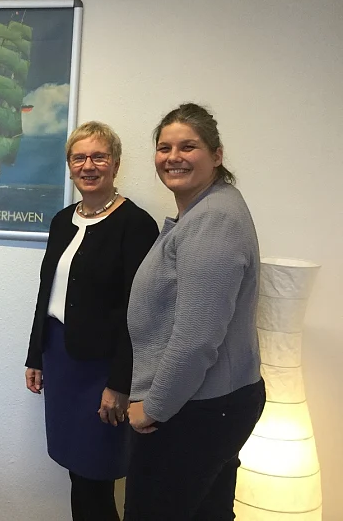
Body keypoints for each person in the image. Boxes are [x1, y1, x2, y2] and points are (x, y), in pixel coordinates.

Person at [124, 103, 265, 520]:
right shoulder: (206, 210)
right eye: (164, 147)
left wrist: (154, 407)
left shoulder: (214, 220)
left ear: (216, 155)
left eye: (188, 146)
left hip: (194, 409)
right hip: (210, 403)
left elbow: (197, 338)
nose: (173, 157)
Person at [25, 122, 158, 521]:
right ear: (69, 166)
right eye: (79, 157)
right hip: (61, 362)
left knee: (96, 477)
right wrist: (35, 356)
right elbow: (46, 293)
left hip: (102, 371)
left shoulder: (136, 225)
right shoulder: (62, 221)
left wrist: (120, 384)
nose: (88, 165)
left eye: (98, 156)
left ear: (115, 164)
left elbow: (141, 314)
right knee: (76, 472)